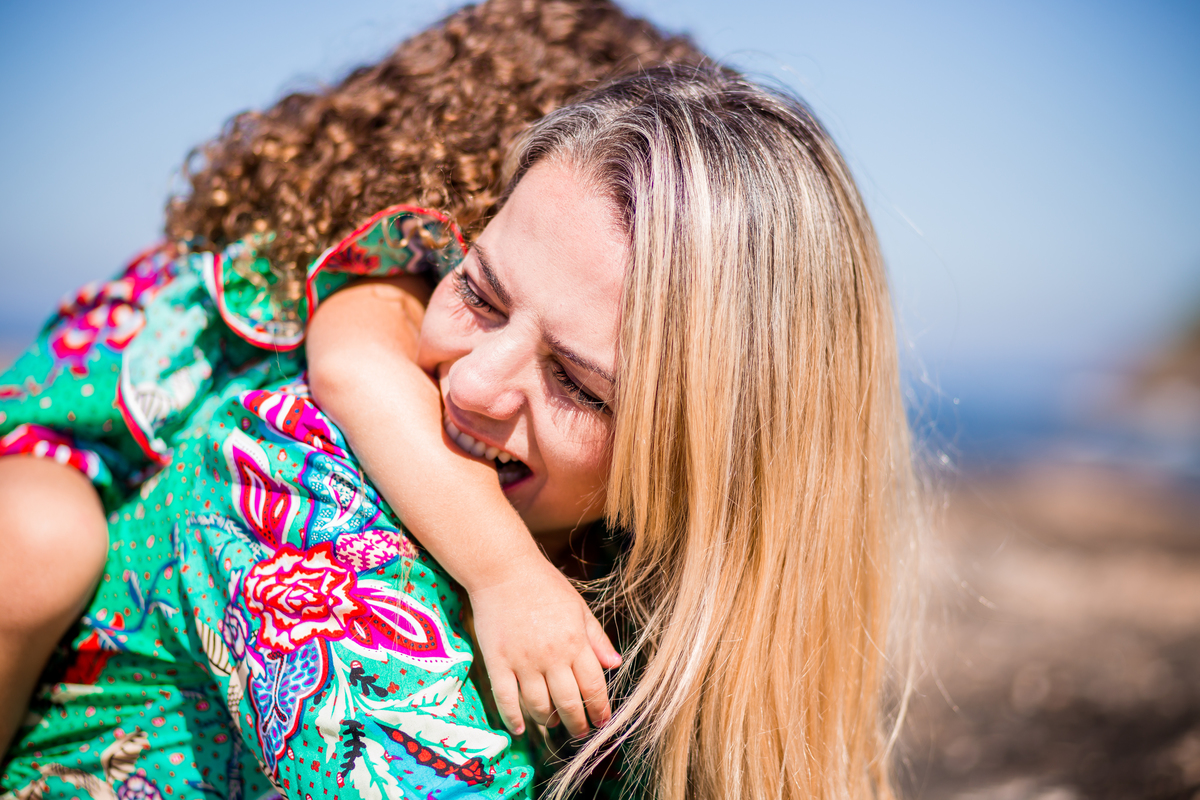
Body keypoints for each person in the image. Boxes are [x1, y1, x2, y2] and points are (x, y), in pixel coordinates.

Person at [2, 26, 918, 800]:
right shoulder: (304, 455)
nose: (472, 386)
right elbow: (353, 359)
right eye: (477, 292)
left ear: (725, 462)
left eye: (581, 385)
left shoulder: (645, 593)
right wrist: (504, 571)